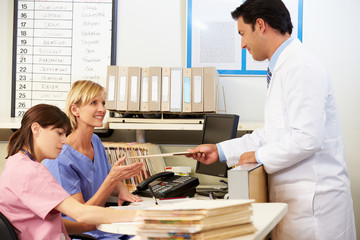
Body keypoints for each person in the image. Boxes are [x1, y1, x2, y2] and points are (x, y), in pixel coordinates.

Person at [187, 0, 356, 239]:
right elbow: (272, 135)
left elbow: (307, 139)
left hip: (315, 211)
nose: (243, 44)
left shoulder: (300, 66)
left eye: (243, 34)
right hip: (299, 204)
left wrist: (256, 156)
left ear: (261, 25)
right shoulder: (283, 68)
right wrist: (220, 151)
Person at [0, 104, 139, 240]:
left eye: (65, 135)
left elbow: (52, 223)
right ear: (36, 129)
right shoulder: (32, 171)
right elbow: (81, 213)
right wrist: (142, 215)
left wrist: (92, 225)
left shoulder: (16, 162)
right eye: (59, 133)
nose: (64, 141)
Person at [43, 80, 144, 239]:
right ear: (75, 109)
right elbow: (82, 214)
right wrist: (111, 180)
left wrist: (122, 189)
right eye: (93, 103)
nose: (102, 109)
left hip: (104, 227)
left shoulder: (95, 140)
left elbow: (107, 170)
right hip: (84, 233)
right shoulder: (61, 158)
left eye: (103, 103)